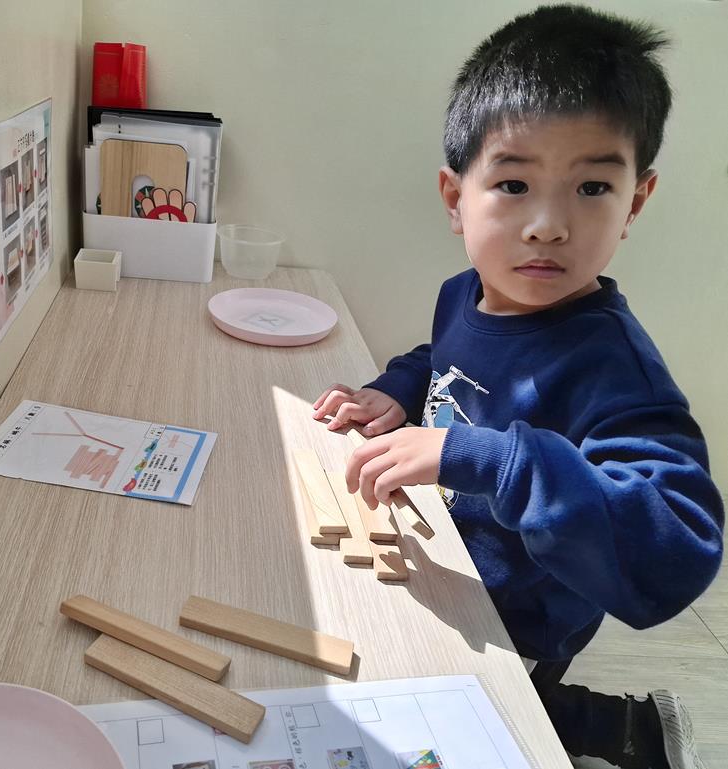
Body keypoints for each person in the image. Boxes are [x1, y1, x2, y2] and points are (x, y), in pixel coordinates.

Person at [312, 6, 724, 767]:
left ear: (635, 202)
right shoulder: (465, 292)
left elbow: (676, 543)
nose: (547, 225)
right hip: (445, 564)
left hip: (524, 615)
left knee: (498, 713)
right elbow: (445, 359)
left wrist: (492, 459)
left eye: (592, 186)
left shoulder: (613, 367)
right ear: (454, 198)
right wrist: (397, 389)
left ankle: (633, 731)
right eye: (512, 182)